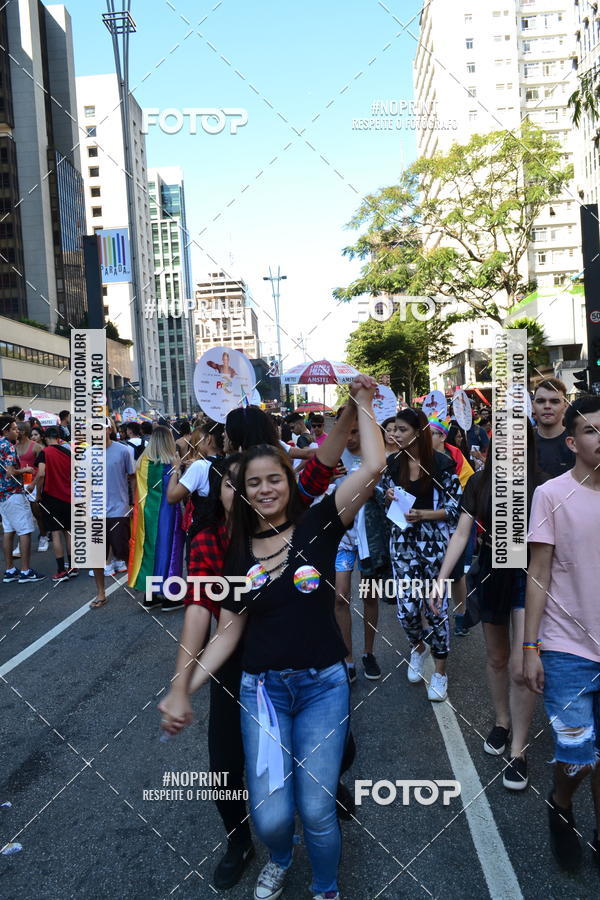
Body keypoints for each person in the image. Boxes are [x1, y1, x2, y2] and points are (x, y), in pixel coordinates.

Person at [162, 378, 384, 900]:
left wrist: (362, 405)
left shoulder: (317, 521)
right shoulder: (228, 551)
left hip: (322, 684)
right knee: (269, 811)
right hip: (258, 687)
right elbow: (220, 626)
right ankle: (271, 854)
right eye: (244, 482)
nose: (261, 489)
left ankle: (325, 885)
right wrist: (181, 688)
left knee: (315, 807)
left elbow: (364, 467)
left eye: (272, 479)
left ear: (287, 482)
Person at [431, 420, 546, 791]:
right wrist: (441, 577)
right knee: (496, 658)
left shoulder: (543, 484)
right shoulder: (479, 482)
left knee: (518, 664)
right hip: (491, 573)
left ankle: (518, 749)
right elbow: (461, 532)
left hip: (528, 576)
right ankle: (501, 722)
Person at [523, 395, 600, 871]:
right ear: (572, 442)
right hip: (566, 648)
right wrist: (530, 648)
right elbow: (539, 573)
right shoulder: (551, 494)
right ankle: (561, 802)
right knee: (578, 752)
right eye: (592, 430)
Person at [384, 408, 462, 702]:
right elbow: (383, 498)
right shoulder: (392, 464)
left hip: (434, 545)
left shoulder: (441, 464)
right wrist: (388, 495)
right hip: (402, 542)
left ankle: (440, 673)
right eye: (393, 429)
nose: (395, 435)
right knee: (406, 611)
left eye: (401, 430)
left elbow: (457, 508)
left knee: (437, 609)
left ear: (418, 432)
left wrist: (426, 515)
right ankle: (418, 647)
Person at [334, 421, 382, 682]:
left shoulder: (375, 457)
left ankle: (368, 653)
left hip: (368, 540)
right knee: (340, 597)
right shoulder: (333, 457)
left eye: (355, 431)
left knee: (370, 596)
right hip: (341, 538)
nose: (350, 438)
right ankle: (347, 659)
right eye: (347, 431)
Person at [428, 415, 474, 636]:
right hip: (426, 526)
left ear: (442, 436)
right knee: (428, 574)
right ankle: (431, 618)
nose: (427, 437)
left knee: (456, 575)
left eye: (432, 433)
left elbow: (468, 484)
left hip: (454, 525)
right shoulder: (417, 456)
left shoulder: (456, 456)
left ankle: (461, 614)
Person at [129, 425, 184, 612]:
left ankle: (150, 596)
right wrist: (178, 470)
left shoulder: (143, 462)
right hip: (168, 515)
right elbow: (174, 492)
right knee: (170, 552)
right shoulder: (170, 464)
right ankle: (170, 597)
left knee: (150, 553)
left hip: (146, 516)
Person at [88, 420, 135, 608]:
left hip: (119, 509)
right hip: (95, 511)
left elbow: (132, 478)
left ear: (109, 429)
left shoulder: (123, 451)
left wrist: (133, 504)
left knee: (122, 550)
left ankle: (139, 581)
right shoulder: (86, 454)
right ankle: (101, 592)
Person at [0, 416, 45, 583]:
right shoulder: (8, 447)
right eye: (13, 428)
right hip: (13, 493)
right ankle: (25, 571)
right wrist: (25, 469)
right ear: (5, 430)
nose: (16, 431)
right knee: (25, 531)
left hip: (2, 496)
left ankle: (10, 569)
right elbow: (10, 471)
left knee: (8, 531)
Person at [32, 426, 78, 583]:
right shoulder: (68, 452)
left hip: (51, 498)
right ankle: (73, 567)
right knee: (69, 532)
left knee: (56, 533)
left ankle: (61, 570)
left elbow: (42, 473)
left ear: (45, 437)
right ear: (59, 437)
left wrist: (37, 493)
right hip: (69, 497)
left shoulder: (45, 453)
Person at [532, 377, 575, 478]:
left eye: (554, 401)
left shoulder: (578, 443)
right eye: (541, 401)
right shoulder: (522, 444)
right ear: (533, 406)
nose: (547, 406)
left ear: (565, 406)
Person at [16, 421, 47, 551]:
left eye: (16, 430)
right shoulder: (14, 446)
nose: (14, 432)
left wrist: (35, 485)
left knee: (37, 513)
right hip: (19, 484)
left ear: (23, 432)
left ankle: (43, 536)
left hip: (34, 484)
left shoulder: (36, 447)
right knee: (21, 514)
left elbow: (43, 470)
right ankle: (21, 542)